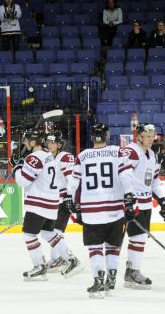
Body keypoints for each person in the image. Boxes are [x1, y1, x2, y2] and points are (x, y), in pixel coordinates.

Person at [66, 123, 133, 298]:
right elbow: (126, 176)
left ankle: (98, 281)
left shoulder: (82, 156)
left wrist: (71, 201)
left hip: (91, 211)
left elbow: (74, 183)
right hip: (115, 209)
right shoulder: (118, 152)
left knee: (95, 247)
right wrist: (129, 199)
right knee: (113, 246)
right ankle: (111, 278)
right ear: (107, 136)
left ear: (91, 137)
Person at [12, 129, 69, 282]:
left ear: (32, 142)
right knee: (48, 232)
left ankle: (39, 267)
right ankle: (70, 258)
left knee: (29, 234)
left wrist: (17, 168)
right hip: (51, 203)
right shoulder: (48, 156)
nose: (24, 143)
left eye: (26, 140)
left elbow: (23, 181)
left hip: (38, 203)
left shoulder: (34, 158)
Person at [119, 123, 165, 289]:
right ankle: (131, 272)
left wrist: (162, 200)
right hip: (134, 202)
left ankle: (131, 271)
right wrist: (128, 200)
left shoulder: (152, 155)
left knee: (139, 239)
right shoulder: (131, 151)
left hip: (145, 204)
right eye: (147, 135)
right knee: (136, 238)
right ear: (139, 136)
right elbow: (123, 176)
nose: (151, 138)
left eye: (153, 135)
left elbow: (153, 181)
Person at [44, 131, 81, 276]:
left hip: (63, 199)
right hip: (53, 200)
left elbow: (72, 179)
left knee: (56, 231)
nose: (49, 144)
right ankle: (57, 258)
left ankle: (64, 258)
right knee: (53, 231)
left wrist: (69, 197)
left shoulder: (65, 157)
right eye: (49, 142)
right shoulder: (49, 158)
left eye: (53, 142)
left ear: (60, 144)